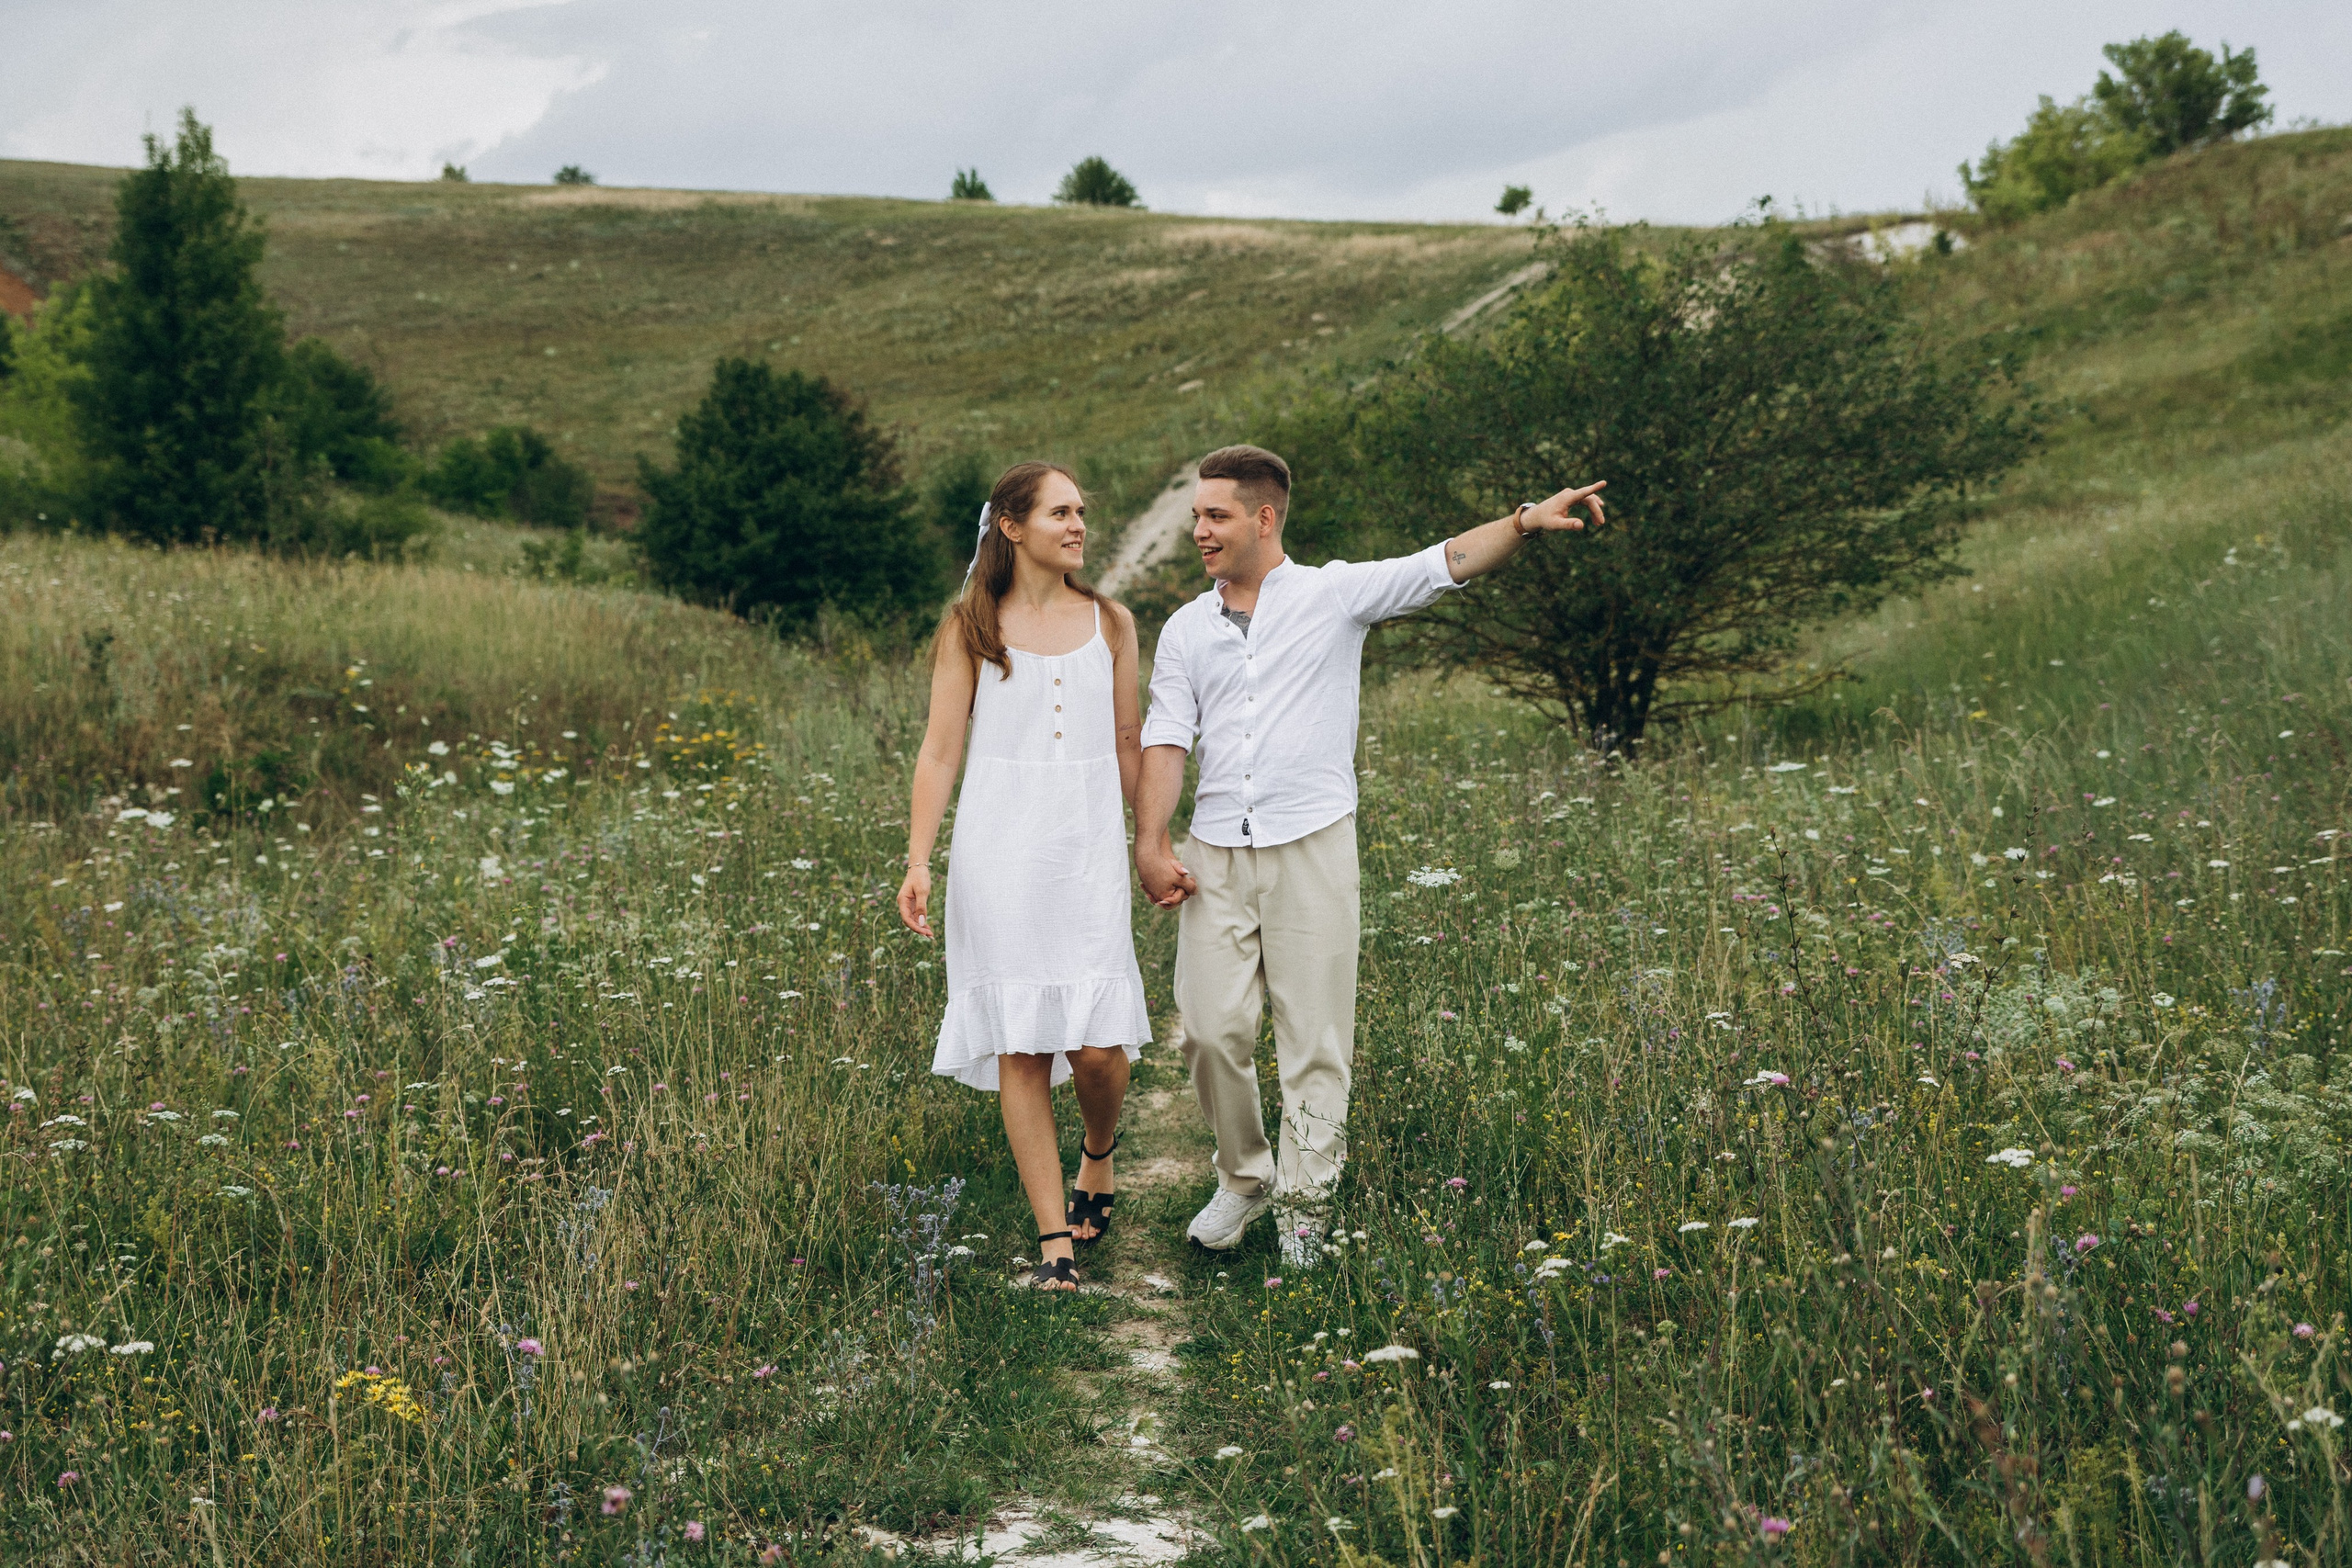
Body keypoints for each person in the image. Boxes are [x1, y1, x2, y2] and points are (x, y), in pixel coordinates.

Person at [1134, 445, 1607, 1268]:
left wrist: (1526, 522)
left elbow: (1444, 564)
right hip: (1216, 852)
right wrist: (1151, 841)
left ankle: (1307, 1204)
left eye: (1216, 515)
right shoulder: (1184, 629)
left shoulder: (1332, 595)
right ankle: (1245, 1177)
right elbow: (1167, 739)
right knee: (1208, 1032)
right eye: (1198, 516)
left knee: (1315, 1036)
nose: (1199, 531)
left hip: (1313, 841)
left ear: (1264, 517)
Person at [897, 461, 1150, 1292]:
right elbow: (940, 752)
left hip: (1084, 849)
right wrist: (917, 861)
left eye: (1082, 510)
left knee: (1099, 1049)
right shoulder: (971, 626)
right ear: (1011, 525)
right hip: (996, 850)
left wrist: (1150, 840)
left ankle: (1100, 1154)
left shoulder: (1112, 622)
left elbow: (1125, 743)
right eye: (1060, 511)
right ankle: (1054, 1243)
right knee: (1023, 1047)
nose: (1078, 524)